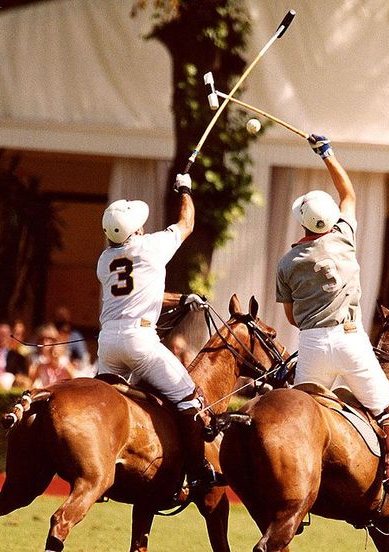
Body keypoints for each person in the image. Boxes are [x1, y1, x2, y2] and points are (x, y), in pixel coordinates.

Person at [275, 134, 389, 512]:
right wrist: (326, 154)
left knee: (298, 419)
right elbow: (348, 193)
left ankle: (296, 485)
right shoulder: (344, 238)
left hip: (311, 345)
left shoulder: (288, 262)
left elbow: (290, 316)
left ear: (302, 224)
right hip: (351, 341)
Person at [96, 173, 222, 495]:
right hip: (140, 343)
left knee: (102, 405)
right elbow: (187, 222)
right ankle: (195, 474)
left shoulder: (104, 261)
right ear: (136, 230)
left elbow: (138, 291)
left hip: (108, 344)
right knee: (189, 398)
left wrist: (181, 299)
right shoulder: (152, 245)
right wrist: (185, 189)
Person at [28, 323, 78, 387]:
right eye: (42, 340)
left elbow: (75, 381)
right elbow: (30, 381)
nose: (44, 343)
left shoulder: (63, 363)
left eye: (48, 340)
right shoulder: (39, 363)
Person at [0, 321, 29, 389]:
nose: (2, 337)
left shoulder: (17, 357)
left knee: (8, 377)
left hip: (7, 385)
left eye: (5, 334)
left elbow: (22, 376)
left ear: (10, 336)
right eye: (0, 334)